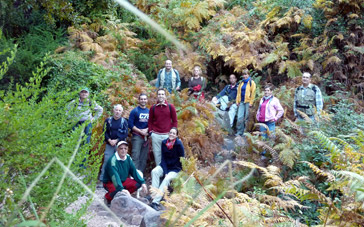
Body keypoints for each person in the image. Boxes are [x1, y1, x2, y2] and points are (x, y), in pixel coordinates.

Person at [103, 141, 148, 206]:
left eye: (125, 148)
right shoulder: (112, 161)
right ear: (117, 149)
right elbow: (115, 177)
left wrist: (142, 182)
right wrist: (121, 189)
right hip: (110, 182)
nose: (123, 150)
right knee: (117, 190)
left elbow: (133, 171)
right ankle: (108, 198)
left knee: (137, 184)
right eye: (121, 148)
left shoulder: (128, 158)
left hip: (123, 180)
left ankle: (122, 197)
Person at [150, 127, 184, 211]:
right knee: (154, 171)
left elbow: (182, 159)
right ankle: (154, 194)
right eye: (170, 132)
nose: (171, 134)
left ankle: (155, 202)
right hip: (165, 166)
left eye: (174, 133)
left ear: (176, 135)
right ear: (168, 133)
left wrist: (179, 171)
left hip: (175, 168)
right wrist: (165, 171)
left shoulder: (179, 144)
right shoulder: (164, 142)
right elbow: (163, 158)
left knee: (167, 178)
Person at [148, 88, 178, 166]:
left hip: (167, 135)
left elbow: (175, 121)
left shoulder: (171, 107)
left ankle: (167, 172)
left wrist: (173, 133)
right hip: (156, 135)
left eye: (162, 94)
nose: (161, 96)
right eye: (159, 94)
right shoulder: (153, 108)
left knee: (168, 154)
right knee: (157, 154)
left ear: (165, 96)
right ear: (157, 96)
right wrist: (151, 132)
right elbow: (150, 121)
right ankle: (159, 172)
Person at [99, 104, 128, 181]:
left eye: (119, 110)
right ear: (113, 110)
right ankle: (103, 178)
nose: (117, 112)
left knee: (120, 161)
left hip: (120, 145)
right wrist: (109, 140)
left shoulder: (124, 121)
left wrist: (117, 140)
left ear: (121, 112)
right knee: (107, 160)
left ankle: (120, 179)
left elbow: (125, 133)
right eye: (116, 110)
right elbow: (104, 132)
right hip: (109, 144)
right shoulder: (108, 120)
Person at [128, 94, 149, 173]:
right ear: (139, 100)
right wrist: (140, 131)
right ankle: (134, 174)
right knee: (135, 156)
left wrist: (146, 130)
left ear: (147, 100)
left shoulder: (149, 111)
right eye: (141, 99)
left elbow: (152, 123)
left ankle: (140, 175)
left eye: (145, 99)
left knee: (143, 157)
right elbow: (130, 124)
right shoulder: (135, 111)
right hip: (137, 136)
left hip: (146, 137)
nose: (143, 101)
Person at [234, 69, 256, 136]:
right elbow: (238, 93)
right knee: (240, 117)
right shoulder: (241, 83)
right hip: (241, 102)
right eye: (243, 74)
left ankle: (245, 132)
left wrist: (251, 102)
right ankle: (239, 131)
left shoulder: (251, 83)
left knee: (247, 118)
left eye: (246, 74)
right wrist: (237, 101)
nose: (244, 76)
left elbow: (253, 93)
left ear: (248, 74)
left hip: (248, 102)